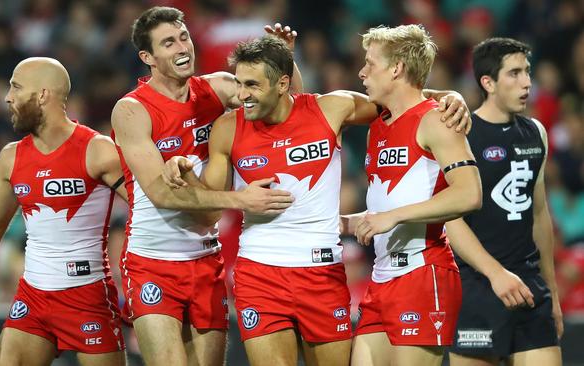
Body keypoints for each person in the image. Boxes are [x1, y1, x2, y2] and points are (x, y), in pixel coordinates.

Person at [162, 35, 471, 366]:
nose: (240, 96)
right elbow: (209, 213)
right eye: (239, 83)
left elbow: (403, 100)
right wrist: (202, 180)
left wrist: (449, 97)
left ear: (283, 83)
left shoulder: (331, 108)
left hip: (323, 273)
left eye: (251, 84)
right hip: (260, 273)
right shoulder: (227, 128)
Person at [110, 7, 300, 366]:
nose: (182, 47)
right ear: (147, 57)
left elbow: (289, 112)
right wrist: (240, 199)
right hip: (152, 262)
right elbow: (162, 194)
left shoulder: (218, 88)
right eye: (169, 42)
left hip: (206, 259)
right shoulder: (132, 110)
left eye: (184, 37)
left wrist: (281, 63)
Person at [0, 57, 127, 366]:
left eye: (16, 87)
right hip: (33, 297)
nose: (8, 97)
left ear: (42, 95)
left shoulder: (97, 149)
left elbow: (146, 206)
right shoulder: (11, 157)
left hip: (88, 296)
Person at [340, 24, 482, 366]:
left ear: (397, 68)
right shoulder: (378, 126)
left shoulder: (436, 120)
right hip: (382, 277)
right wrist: (349, 221)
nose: (361, 72)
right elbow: (393, 200)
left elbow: (470, 195)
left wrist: (393, 217)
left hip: (424, 272)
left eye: (370, 63)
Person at [447, 37, 563, 366]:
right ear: (488, 82)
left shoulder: (535, 132)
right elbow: (450, 220)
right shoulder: (460, 134)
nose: (527, 82)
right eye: (514, 73)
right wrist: (496, 274)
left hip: (530, 289)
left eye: (527, 72)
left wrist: (551, 290)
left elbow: (538, 212)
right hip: (479, 287)